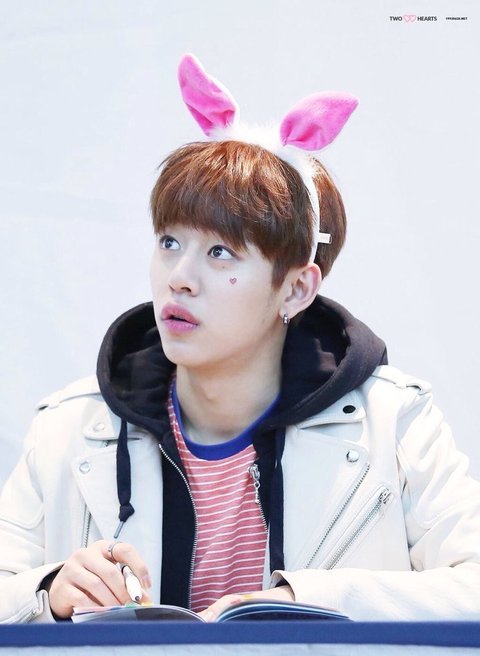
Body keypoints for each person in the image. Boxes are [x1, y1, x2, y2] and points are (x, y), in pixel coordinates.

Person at [1, 53, 480, 624]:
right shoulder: (67, 429)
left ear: (296, 289)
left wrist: (309, 604)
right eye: (170, 242)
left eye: (220, 252)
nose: (179, 277)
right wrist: (47, 593)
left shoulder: (394, 423)